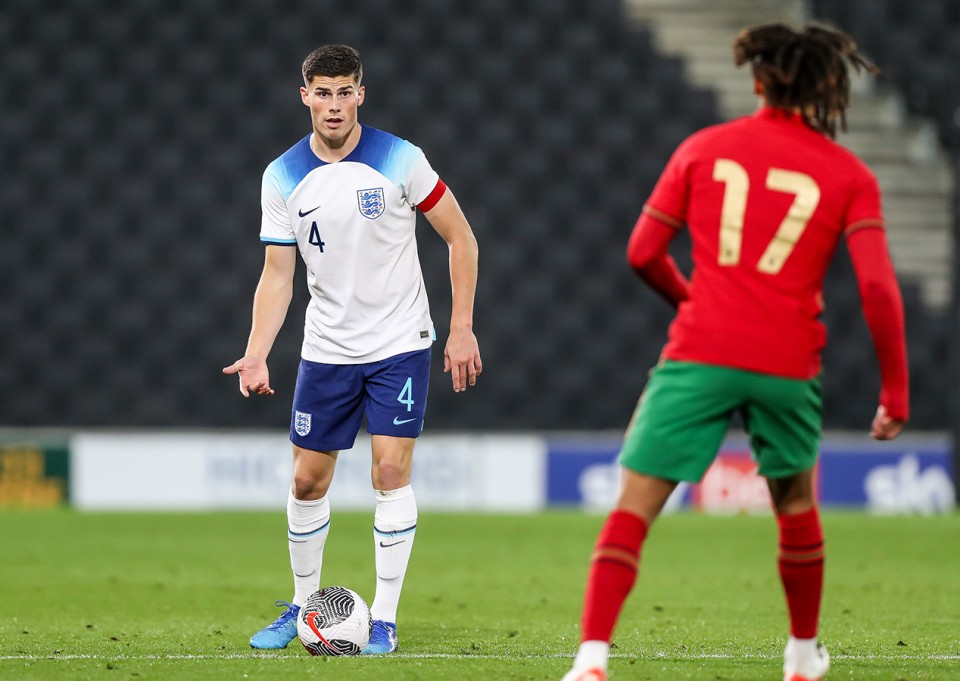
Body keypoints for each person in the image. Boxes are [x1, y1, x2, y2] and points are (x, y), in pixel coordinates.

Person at [561, 24, 908, 681]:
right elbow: (876, 288)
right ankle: (801, 658)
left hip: (702, 351)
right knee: (796, 507)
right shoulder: (850, 175)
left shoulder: (703, 148)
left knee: (633, 508)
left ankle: (591, 660)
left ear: (757, 80)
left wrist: (693, 300)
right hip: (787, 363)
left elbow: (642, 252)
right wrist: (895, 390)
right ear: (825, 88)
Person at [224, 44, 482, 654]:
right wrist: (257, 351)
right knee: (306, 481)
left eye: (345, 92)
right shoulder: (282, 175)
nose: (335, 104)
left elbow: (461, 238)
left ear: (360, 95)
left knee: (389, 471)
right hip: (327, 349)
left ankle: (383, 620)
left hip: (399, 343)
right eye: (323, 93)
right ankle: (301, 605)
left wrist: (461, 327)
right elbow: (278, 275)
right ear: (305, 97)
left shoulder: (401, 158)